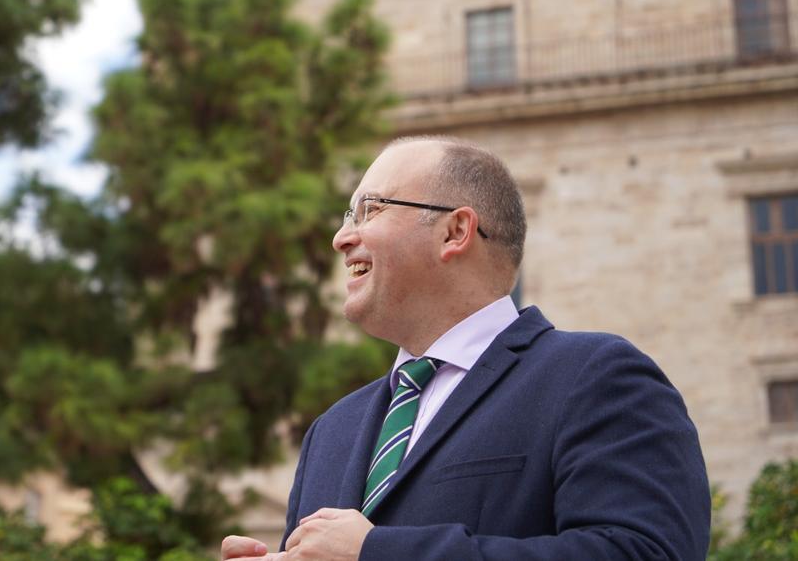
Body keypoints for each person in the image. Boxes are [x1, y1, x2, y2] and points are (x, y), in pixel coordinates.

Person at [222, 137, 710, 561]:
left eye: (370, 210)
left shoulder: (593, 377)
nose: (341, 237)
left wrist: (379, 553)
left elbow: (646, 552)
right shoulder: (331, 432)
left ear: (455, 231)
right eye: (347, 216)